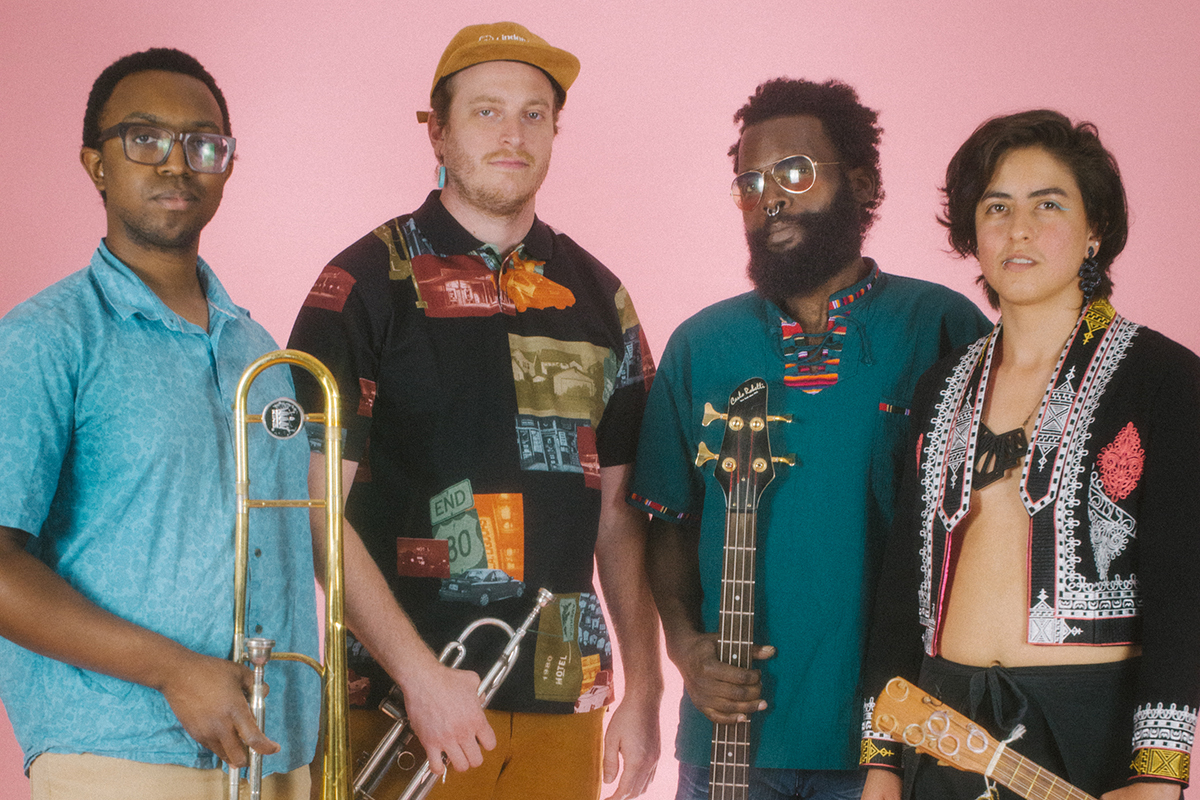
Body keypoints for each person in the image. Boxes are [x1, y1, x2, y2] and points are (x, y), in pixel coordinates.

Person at [287, 21, 662, 800]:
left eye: (534, 113)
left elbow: (623, 518)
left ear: (556, 130)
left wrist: (648, 691)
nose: (513, 133)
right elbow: (314, 507)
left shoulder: (601, 298)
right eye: (486, 111)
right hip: (401, 705)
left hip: (566, 697)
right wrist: (420, 678)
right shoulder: (363, 284)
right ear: (438, 130)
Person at [629, 78, 991, 800]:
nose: (770, 198)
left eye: (794, 173)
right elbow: (664, 519)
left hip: (893, 746)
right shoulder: (703, 345)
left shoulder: (942, 327)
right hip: (729, 740)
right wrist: (684, 646)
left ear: (859, 182)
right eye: (750, 183)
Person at [0, 48, 320, 799]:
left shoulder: (261, 350)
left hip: (278, 758)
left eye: (204, 145)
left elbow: (308, 534)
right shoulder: (46, 337)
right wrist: (173, 670)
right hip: (120, 755)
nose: (178, 164)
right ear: (95, 164)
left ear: (227, 166)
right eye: (145, 139)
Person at [859, 110, 1200, 800]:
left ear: (1094, 228)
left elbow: (1183, 590)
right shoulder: (943, 385)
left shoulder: (1164, 378)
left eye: (1048, 205)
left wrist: (1159, 774)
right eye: (996, 207)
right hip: (942, 727)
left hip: (1084, 733)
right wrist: (883, 759)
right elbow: (903, 584)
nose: (1018, 230)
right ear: (972, 235)